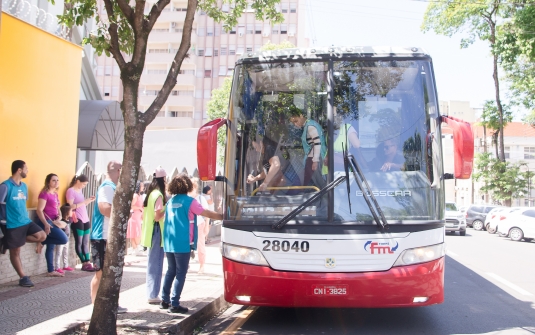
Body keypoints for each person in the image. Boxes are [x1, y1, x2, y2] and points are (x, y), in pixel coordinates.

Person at [160, 173, 223, 313]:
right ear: (187, 185)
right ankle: (175, 303)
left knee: (171, 271)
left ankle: (164, 299)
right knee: (181, 272)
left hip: (169, 242)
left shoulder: (170, 201)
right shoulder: (190, 202)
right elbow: (206, 212)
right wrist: (223, 216)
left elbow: (160, 214)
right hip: (183, 242)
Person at [0, 160, 46, 287]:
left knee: (41, 236)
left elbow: (22, 203)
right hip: (11, 224)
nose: (27, 170)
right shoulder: (5, 186)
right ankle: (23, 277)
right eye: (26, 168)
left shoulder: (24, 186)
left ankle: (9, 241)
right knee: (15, 252)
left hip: (25, 221)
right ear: (19, 170)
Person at [89, 160, 127, 314]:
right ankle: (95, 306)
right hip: (101, 235)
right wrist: (122, 214)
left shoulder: (112, 187)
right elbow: (104, 208)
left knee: (109, 273)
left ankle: (109, 304)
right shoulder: (107, 187)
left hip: (108, 235)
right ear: (118, 170)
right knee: (101, 273)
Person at [140, 166, 167, 304]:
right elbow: (158, 216)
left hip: (150, 230)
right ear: (163, 179)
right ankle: (153, 294)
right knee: (156, 263)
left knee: (152, 262)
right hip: (157, 230)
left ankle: (152, 293)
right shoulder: (159, 195)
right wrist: (166, 210)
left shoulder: (150, 194)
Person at [35, 173, 69, 277]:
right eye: (54, 180)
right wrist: (46, 224)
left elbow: (57, 207)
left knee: (51, 247)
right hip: (47, 222)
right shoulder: (44, 194)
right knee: (64, 239)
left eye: (57, 180)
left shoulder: (55, 194)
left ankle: (51, 270)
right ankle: (42, 241)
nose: (56, 182)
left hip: (55, 221)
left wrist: (59, 216)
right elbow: (39, 210)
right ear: (48, 182)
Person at [289, 108, 326, 189]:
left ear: (301, 116)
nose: (295, 124)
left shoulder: (310, 127)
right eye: (293, 122)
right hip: (315, 157)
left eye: (296, 121)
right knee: (310, 180)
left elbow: (317, 143)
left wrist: (315, 160)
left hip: (313, 158)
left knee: (303, 181)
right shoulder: (311, 124)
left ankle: (290, 195)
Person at [66, 174, 96, 271]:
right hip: (77, 219)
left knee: (86, 241)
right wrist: (84, 202)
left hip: (85, 218)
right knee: (79, 241)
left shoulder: (80, 191)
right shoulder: (70, 191)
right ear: (78, 181)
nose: (84, 186)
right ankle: (84, 262)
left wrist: (89, 200)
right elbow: (71, 206)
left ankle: (88, 261)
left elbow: (82, 205)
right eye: (83, 184)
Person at [189, 178, 209, 274]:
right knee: (187, 246)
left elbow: (207, 213)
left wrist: (207, 226)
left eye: (192, 187)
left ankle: (202, 265)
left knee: (201, 246)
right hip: (188, 226)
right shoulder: (186, 198)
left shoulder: (201, 199)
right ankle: (186, 264)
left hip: (200, 224)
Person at [55, 204, 74, 273]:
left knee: (66, 252)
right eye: (71, 211)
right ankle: (57, 267)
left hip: (67, 239)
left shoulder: (69, 220)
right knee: (59, 253)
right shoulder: (62, 221)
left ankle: (65, 265)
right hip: (61, 240)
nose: (72, 212)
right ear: (67, 212)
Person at [127, 181, 144, 255]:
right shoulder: (135, 196)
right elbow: (132, 205)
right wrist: (140, 207)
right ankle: (135, 248)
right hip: (134, 216)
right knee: (135, 233)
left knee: (136, 232)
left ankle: (135, 248)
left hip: (138, 216)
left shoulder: (139, 195)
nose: (143, 187)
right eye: (142, 186)